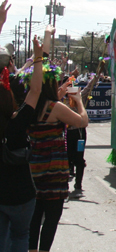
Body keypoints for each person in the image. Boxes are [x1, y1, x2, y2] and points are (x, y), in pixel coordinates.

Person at [26, 54, 88, 252]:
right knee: (51, 220)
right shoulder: (55, 108)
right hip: (54, 173)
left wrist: (67, 83)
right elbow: (82, 121)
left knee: (34, 219)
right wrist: (78, 101)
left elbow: (53, 95)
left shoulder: (29, 107)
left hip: (33, 171)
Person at [0, 23, 44, 252]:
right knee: (20, 237)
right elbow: (35, 91)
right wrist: (38, 58)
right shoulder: (17, 124)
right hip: (23, 194)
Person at [66, 69, 100, 199]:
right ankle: (64, 186)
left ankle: (78, 186)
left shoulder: (80, 98)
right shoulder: (62, 100)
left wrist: (96, 76)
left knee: (79, 159)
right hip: (67, 133)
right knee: (67, 158)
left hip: (79, 133)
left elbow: (89, 86)